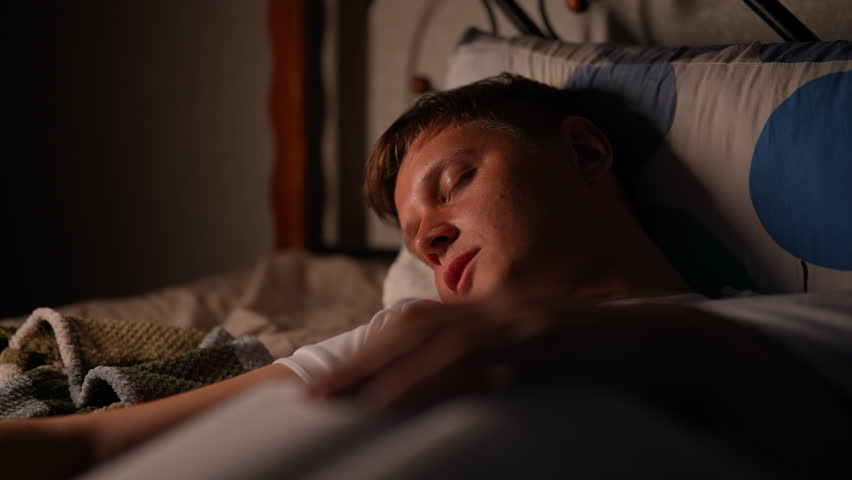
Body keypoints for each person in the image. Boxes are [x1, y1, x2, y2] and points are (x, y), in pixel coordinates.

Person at [2, 74, 850, 478]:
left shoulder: (802, 328)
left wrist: (635, 339)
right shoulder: (401, 333)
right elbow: (87, 438)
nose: (432, 242)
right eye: (415, 238)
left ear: (587, 153)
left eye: (453, 186)